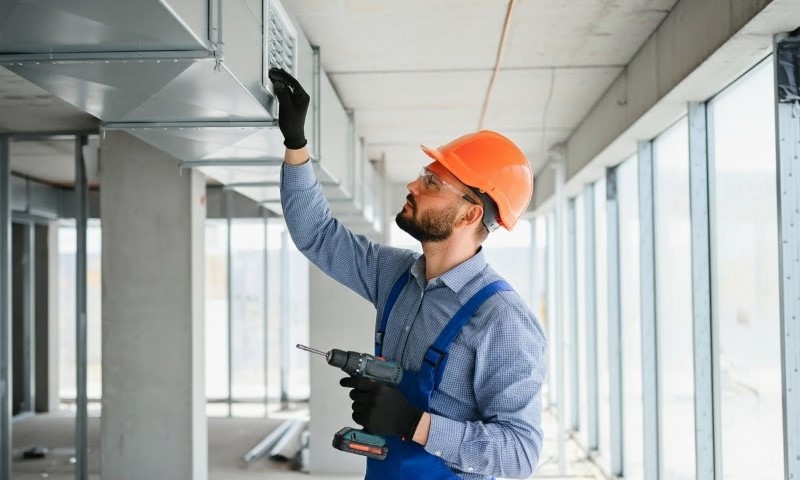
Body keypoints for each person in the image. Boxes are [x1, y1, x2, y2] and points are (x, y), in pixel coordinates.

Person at [269, 68, 546, 480]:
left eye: (432, 181)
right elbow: (318, 235)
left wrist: (415, 424)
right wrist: (296, 144)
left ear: (470, 214)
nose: (413, 184)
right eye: (423, 173)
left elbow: (520, 455)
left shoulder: (502, 320)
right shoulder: (394, 274)